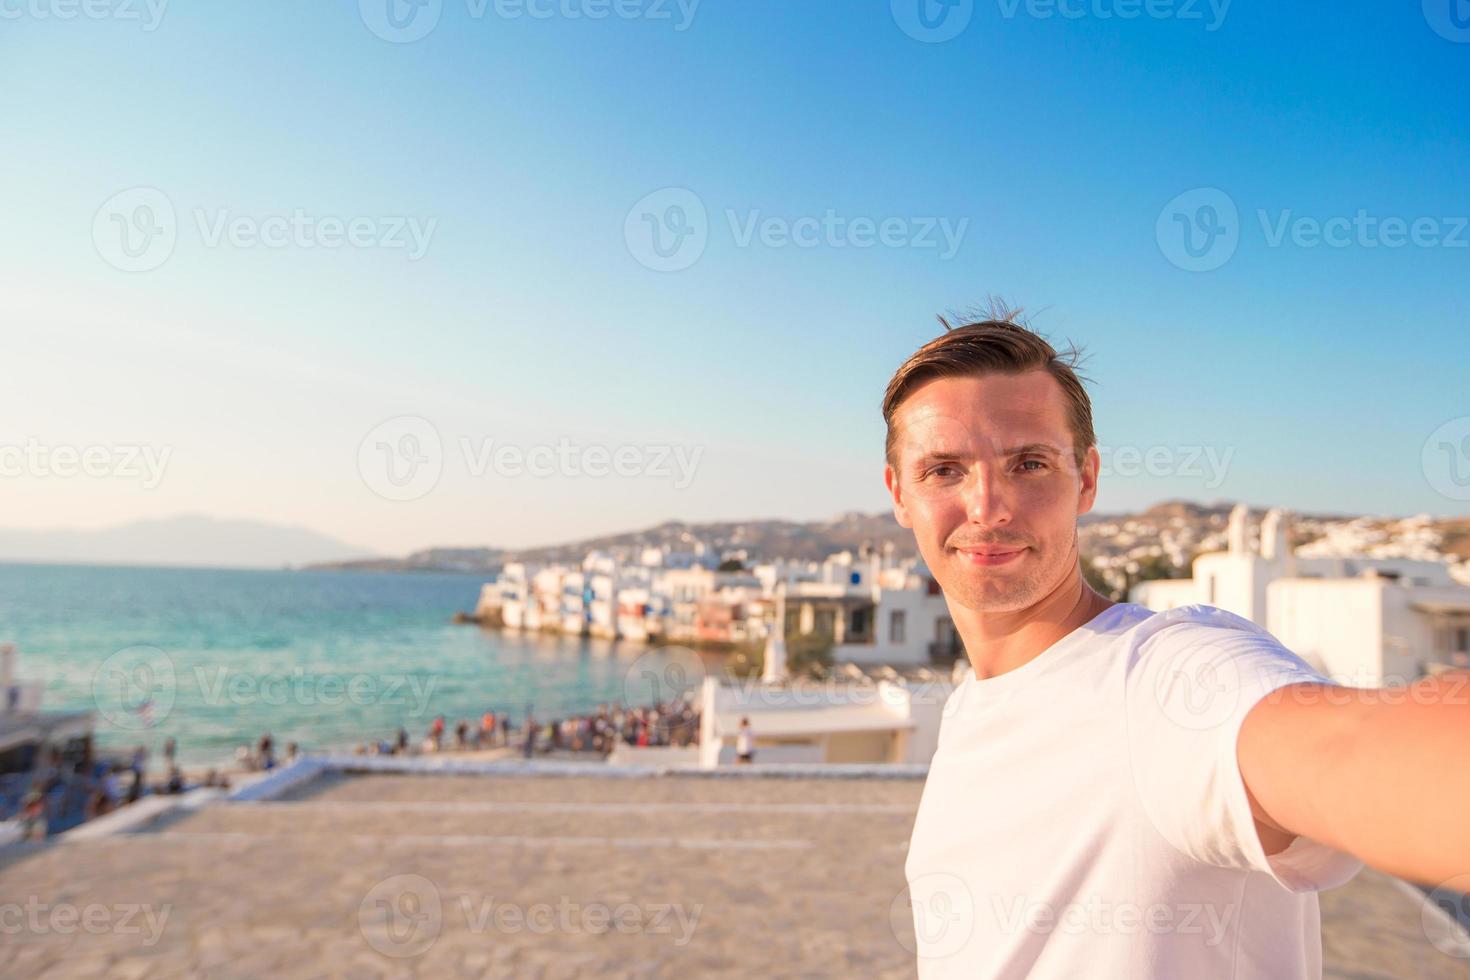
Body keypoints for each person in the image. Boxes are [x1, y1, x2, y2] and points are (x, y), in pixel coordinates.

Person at [884, 305, 1470, 978]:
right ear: (900, 493)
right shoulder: (969, 710)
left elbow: (1354, 748)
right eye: (944, 470)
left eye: (1029, 463)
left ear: (1088, 479)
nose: (988, 506)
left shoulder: (1166, 678)